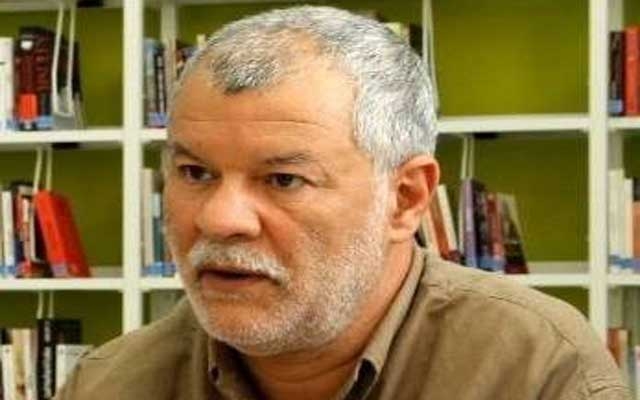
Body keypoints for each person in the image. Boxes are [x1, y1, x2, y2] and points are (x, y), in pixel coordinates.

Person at [55, 6, 630, 400]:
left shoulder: (535, 370)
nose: (220, 218)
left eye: (283, 179)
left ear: (405, 198)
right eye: (195, 173)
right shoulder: (109, 384)